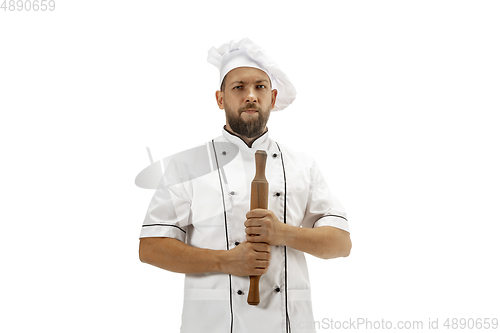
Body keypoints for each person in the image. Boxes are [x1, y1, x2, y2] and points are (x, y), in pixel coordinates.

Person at [138, 38, 351, 333]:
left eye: (260, 87)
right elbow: (150, 248)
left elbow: (341, 244)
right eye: (239, 87)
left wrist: (282, 232)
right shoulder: (186, 166)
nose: (250, 95)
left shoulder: (302, 165)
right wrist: (227, 261)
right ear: (220, 98)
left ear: (272, 98)